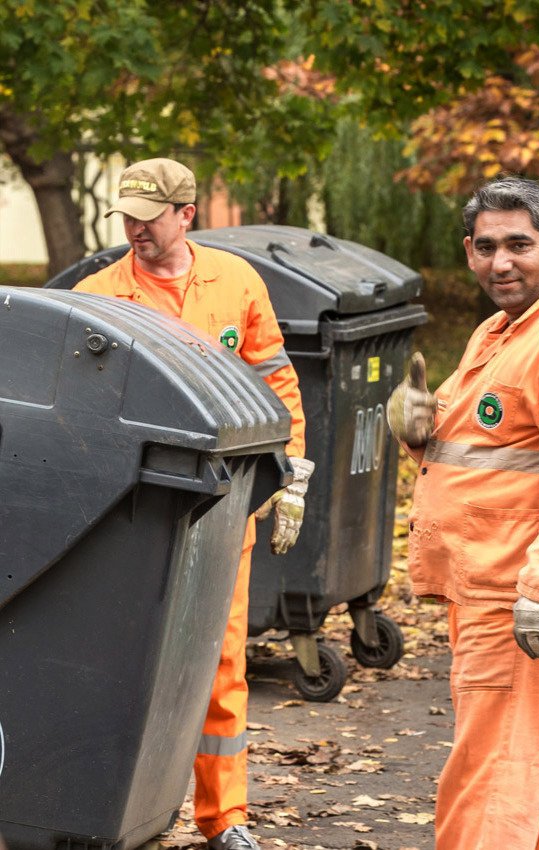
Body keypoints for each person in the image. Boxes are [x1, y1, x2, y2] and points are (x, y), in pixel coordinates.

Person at [75, 157, 313, 850]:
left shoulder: (236, 282)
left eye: (148, 216)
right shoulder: (99, 294)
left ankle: (225, 819)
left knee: (220, 665)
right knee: (116, 664)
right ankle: (104, 812)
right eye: (127, 215)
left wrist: (290, 474)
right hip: (134, 515)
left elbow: (276, 383)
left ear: (186, 215)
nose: (133, 229)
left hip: (222, 511)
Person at [386, 176, 539, 850]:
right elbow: (484, 452)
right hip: (494, 588)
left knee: (492, 782)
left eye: (518, 244)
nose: (501, 262)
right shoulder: (502, 329)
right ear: (467, 251)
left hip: (522, 596)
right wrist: (415, 431)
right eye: (486, 246)